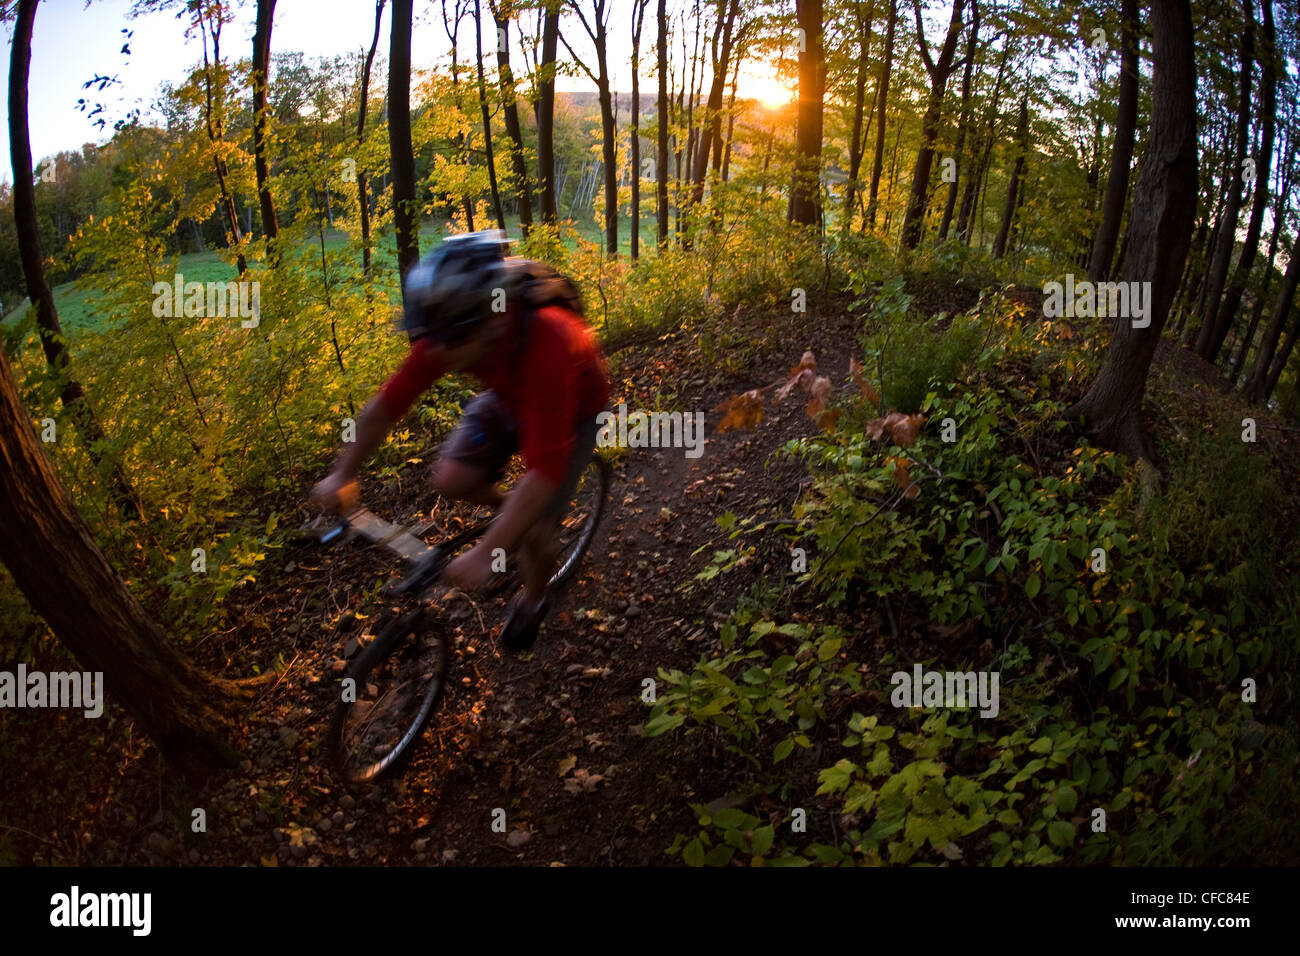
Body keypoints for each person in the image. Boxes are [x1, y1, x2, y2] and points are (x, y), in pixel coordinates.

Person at [310, 230, 609, 649]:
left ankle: (533, 600)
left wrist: (489, 551)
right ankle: (514, 515)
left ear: (490, 321)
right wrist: (343, 472)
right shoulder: (450, 332)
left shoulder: (549, 340)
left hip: (576, 408)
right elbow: (386, 405)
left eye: (448, 342)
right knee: (451, 479)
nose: (436, 353)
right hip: (510, 395)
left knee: (538, 535)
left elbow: (545, 470)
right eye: (431, 339)